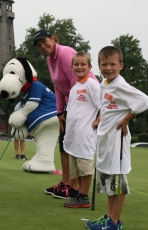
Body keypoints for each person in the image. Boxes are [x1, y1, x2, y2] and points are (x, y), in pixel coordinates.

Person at [87, 46, 148, 229]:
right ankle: (109, 217)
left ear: (121, 65)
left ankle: (115, 223)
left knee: (117, 184)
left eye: (112, 64)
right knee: (108, 183)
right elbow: (105, 106)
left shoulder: (121, 85)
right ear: (99, 66)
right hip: (105, 140)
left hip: (117, 142)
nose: (108, 68)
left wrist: (126, 119)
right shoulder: (104, 84)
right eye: (104, 64)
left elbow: (145, 101)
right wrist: (99, 119)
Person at [33, 29, 99, 199]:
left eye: (45, 41)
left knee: (75, 147)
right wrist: (60, 111)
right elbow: (57, 87)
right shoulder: (50, 59)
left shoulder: (65, 53)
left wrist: (71, 111)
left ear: (53, 39)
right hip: (71, 106)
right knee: (64, 142)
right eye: (39, 45)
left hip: (84, 104)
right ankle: (66, 183)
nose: (43, 46)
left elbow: (76, 83)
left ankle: (74, 187)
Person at [62, 51, 101, 208]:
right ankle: (79, 193)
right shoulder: (75, 87)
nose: (79, 67)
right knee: (76, 168)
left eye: (83, 64)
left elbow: (103, 105)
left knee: (85, 167)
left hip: (85, 134)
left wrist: (98, 120)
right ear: (71, 67)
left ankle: (83, 197)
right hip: (73, 135)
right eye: (76, 64)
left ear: (89, 67)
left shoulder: (92, 84)